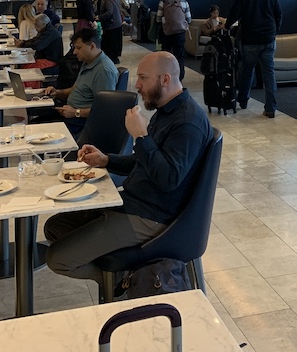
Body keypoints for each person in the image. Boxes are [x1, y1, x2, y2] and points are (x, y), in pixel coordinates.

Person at [44, 52, 211, 287]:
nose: (137, 85)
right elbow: (145, 163)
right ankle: (117, 267)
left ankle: (121, 279)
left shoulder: (188, 123)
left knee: (57, 259)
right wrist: (106, 160)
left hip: (150, 217)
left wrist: (141, 136)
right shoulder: (166, 111)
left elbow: (168, 179)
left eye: (143, 77)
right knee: (55, 226)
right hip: (130, 203)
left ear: (165, 79)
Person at [226, 0, 282, 117]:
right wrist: (274, 32)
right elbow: (279, 16)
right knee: (269, 74)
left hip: (249, 40)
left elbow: (233, 16)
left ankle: (243, 100)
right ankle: (270, 108)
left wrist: (225, 26)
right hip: (268, 39)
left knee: (247, 71)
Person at [43, 27, 117, 137]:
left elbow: (105, 110)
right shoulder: (87, 62)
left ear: (92, 46)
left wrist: (76, 112)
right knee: (34, 124)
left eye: (78, 48)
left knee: (39, 131)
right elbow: (75, 90)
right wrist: (57, 93)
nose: (74, 52)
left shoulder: (103, 71)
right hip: (70, 116)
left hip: (81, 123)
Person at [156, 0, 191, 80]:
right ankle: (179, 77)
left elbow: (158, 19)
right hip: (180, 33)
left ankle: (165, 76)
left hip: (166, 33)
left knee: (166, 55)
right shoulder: (184, 2)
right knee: (179, 56)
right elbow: (189, 19)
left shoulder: (163, 2)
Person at [99, 0, 124, 65]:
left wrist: (99, 17)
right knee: (116, 43)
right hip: (118, 23)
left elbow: (109, 13)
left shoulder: (108, 1)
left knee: (109, 43)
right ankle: (115, 57)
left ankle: (111, 58)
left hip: (111, 25)